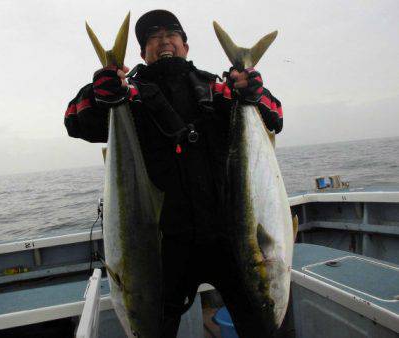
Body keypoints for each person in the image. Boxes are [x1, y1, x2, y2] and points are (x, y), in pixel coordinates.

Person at [65, 10, 283, 337]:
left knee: (259, 324)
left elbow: (275, 117)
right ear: (142, 53)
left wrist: (252, 90)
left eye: (172, 34)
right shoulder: (130, 93)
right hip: (164, 246)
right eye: (153, 37)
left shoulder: (216, 87)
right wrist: (99, 93)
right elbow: (75, 121)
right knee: (153, 327)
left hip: (229, 235)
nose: (164, 40)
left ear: (185, 45)